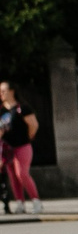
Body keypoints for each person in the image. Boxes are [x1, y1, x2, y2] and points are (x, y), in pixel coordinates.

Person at [0, 80, 36, 214]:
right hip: (7, 149)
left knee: (22, 173)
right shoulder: (1, 110)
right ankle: (20, 203)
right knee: (13, 176)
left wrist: (28, 137)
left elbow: (33, 125)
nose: (1, 94)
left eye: (3, 91)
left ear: (11, 91)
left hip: (22, 145)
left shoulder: (22, 108)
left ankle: (36, 200)